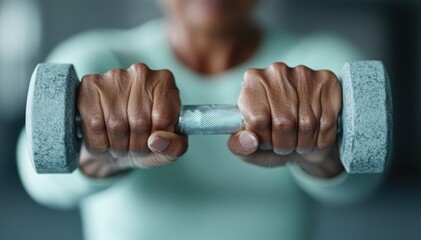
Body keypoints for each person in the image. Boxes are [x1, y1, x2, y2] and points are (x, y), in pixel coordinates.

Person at [17, 0, 385, 239]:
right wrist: (97, 158)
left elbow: (366, 178)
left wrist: (319, 154)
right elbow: (36, 174)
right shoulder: (96, 56)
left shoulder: (320, 61)